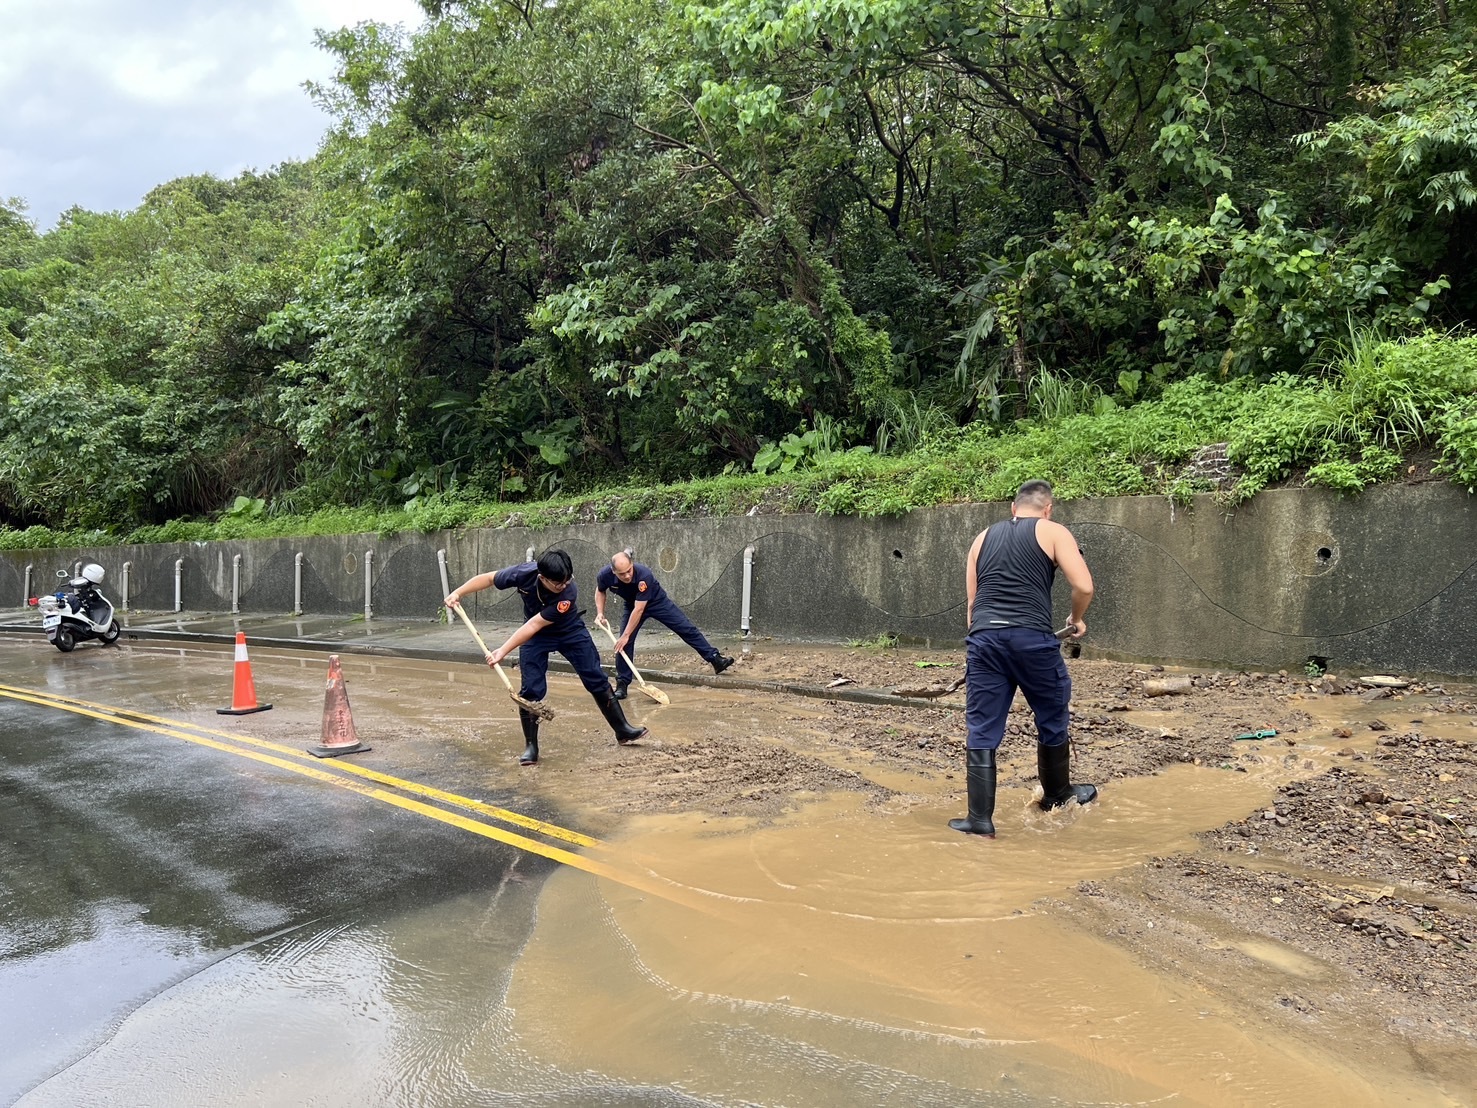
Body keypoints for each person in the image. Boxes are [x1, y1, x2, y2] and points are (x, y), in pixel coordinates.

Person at [949, 479, 1097, 839]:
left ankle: (979, 821)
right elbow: (1084, 586)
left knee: (982, 727)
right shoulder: (1053, 531)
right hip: (1032, 638)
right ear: (1047, 509)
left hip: (984, 639)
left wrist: (982, 645)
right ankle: (1057, 795)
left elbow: (973, 604)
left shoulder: (981, 538)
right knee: (1051, 712)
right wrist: (1076, 619)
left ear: (1013, 509)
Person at [445, 549, 646, 766]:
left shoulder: (567, 594)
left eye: (568, 579)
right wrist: (458, 592)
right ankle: (531, 746)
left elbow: (534, 624)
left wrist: (502, 651)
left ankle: (622, 730)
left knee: (595, 677)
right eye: (559, 583)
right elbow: (489, 578)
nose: (565, 585)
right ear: (542, 577)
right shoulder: (524, 573)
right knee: (531, 690)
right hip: (536, 638)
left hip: (569, 631)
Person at [594, 549, 734, 699]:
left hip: (656, 602)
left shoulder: (644, 575)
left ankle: (715, 659)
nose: (627, 575)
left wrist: (626, 635)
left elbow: (640, 609)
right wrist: (600, 612)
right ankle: (622, 684)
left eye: (629, 570)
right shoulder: (604, 575)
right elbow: (600, 591)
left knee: (685, 628)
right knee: (624, 645)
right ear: (613, 571)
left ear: (632, 564)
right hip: (632, 606)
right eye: (622, 574)